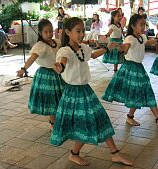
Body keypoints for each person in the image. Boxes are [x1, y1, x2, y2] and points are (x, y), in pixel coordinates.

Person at [51, 17, 133, 167]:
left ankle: (114, 154)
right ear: (68, 32)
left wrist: (109, 48)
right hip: (73, 94)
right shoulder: (65, 51)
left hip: (85, 91)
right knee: (86, 123)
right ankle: (75, 154)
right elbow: (63, 61)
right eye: (78, 31)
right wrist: (60, 67)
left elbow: (94, 55)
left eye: (83, 30)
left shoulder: (82, 48)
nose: (82, 34)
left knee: (99, 118)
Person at [102, 14, 158, 129]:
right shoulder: (130, 38)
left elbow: (148, 42)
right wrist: (120, 48)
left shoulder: (142, 37)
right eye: (141, 25)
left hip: (138, 68)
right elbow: (125, 48)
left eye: (144, 24)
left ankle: (131, 117)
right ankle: (157, 118)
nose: (143, 27)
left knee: (142, 91)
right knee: (144, 91)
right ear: (133, 26)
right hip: (131, 68)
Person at [17, 19, 64, 130]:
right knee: (51, 100)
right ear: (40, 33)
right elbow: (32, 58)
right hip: (46, 76)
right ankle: (53, 123)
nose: (49, 34)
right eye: (46, 32)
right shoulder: (40, 46)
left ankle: (60, 120)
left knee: (60, 98)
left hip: (58, 73)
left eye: (50, 31)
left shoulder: (56, 42)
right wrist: (23, 69)